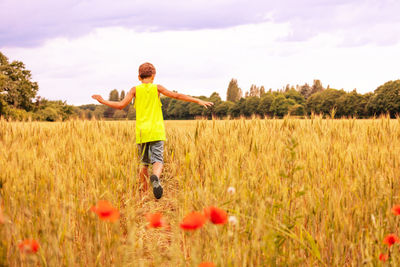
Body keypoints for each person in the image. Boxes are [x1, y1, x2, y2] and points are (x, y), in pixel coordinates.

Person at [92, 62, 213, 199]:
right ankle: (156, 176)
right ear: (153, 76)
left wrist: (102, 101)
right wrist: (197, 101)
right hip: (156, 131)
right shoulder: (157, 88)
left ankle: (144, 195)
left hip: (142, 132)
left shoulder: (135, 90)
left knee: (143, 163)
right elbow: (177, 96)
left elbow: (120, 105)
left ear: (139, 77)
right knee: (158, 160)